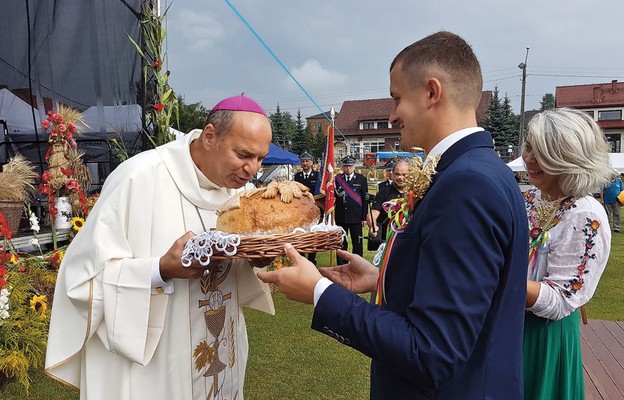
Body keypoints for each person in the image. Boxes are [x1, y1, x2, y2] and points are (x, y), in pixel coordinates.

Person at [258, 31, 528, 399]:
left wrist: (320, 293)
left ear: (433, 92)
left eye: (397, 98)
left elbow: (432, 353)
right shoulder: (479, 170)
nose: (391, 114)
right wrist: (382, 279)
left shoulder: (467, 185)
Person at [45, 94, 276, 400]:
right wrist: (160, 269)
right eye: (244, 154)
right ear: (209, 137)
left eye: (260, 158)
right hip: (154, 368)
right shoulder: (139, 178)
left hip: (221, 346)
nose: (252, 169)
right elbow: (83, 277)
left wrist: (255, 259)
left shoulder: (242, 195)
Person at [522, 108, 612, 399]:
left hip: (543, 337)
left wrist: (496, 280)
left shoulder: (585, 215)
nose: (530, 158)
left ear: (571, 157)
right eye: (528, 147)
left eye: (544, 151)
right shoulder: (530, 197)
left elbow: (560, 301)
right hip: (510, 325)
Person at [334, 155, 368, 264]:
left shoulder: (361, 179)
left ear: (354, 167)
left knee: (357, 243)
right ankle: (341, 265)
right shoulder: (337, 179)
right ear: (342, 167)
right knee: (341, 243)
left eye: (350, 166)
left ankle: (357, 265)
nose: (348, 168)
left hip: (356, 217)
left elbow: (365, 199)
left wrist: (364, 217)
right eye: (345, 166)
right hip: (341, 216)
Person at [367, 159, 408, 241]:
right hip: (386, 239)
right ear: (392, 175)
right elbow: (373, 213)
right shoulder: (383, 193)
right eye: (397, 174)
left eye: (404, 175)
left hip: (408, 239)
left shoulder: (416, 194)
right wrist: (373, 226)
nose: (400, 177)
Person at [294, 151, 320, 263]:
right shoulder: (297, 176)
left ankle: (312, 260)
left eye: (307, 161)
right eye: (303, 161)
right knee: (300, 234)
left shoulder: (318, 176)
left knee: (313, 236)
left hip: (313, 210)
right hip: (300, 212)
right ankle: (301, 259)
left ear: (311, 163)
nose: (305, 163)